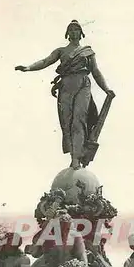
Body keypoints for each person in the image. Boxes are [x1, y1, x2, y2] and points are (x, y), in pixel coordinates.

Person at [15, 19, 115, 170]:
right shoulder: (61, 51)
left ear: (81, 33)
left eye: (77, 29)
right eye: (71, 29)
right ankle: (73, 156)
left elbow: (95, 72)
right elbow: (45, 61)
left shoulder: (88, 52)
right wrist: (28, 68)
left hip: (83, 85)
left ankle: (76, 159)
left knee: (79, 120)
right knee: (67, 123)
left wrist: (106, 89)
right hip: (66, 87)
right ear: (67, 34)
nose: (74, 32)